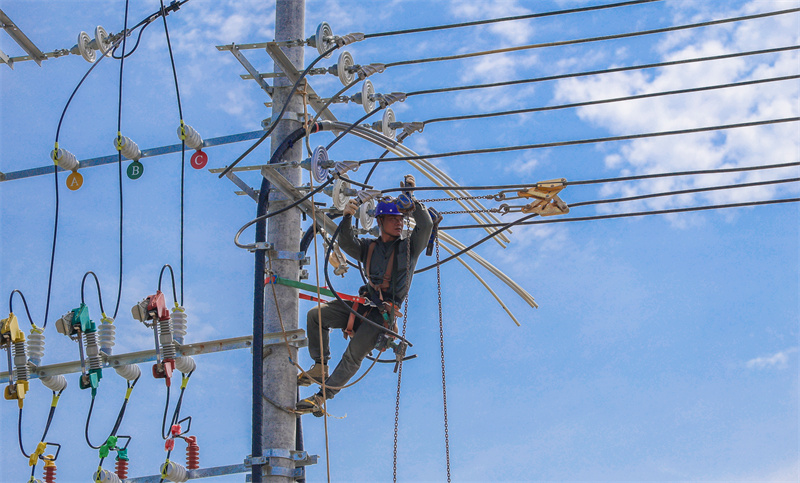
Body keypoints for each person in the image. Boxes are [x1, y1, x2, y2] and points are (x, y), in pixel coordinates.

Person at [296, 174, 433, 415]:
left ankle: (321, 397)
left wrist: (412, 202)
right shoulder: (369, 247)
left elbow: (426, 226)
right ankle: (320, 366)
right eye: (392, 218)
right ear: (380, 221)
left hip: (382, 315)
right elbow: (348, 244)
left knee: (353, 354)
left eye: (400, 219)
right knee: (316, 316)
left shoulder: (407, 249)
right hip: (363, 303)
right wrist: (347, 217)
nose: (399, 223)